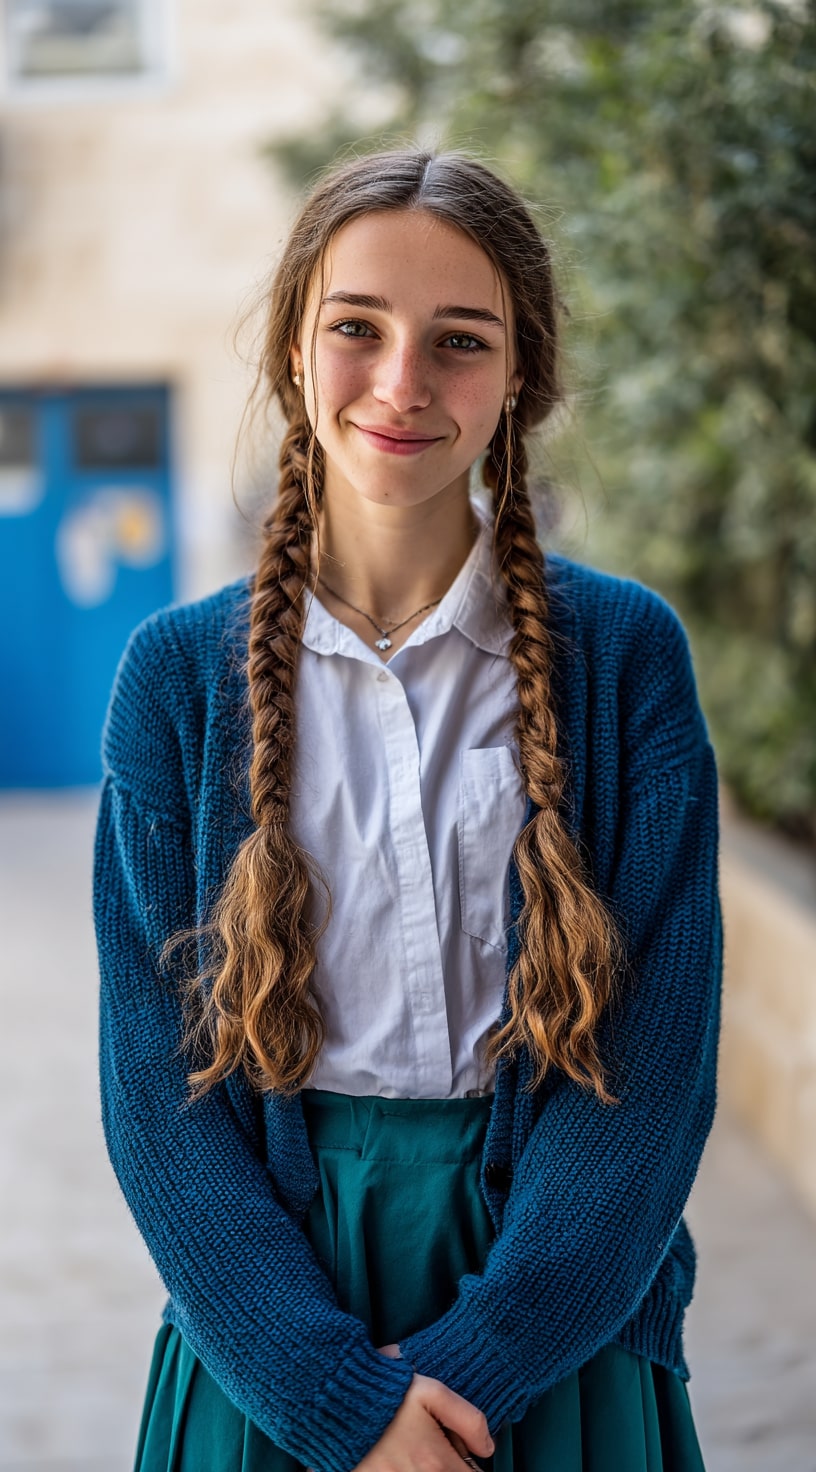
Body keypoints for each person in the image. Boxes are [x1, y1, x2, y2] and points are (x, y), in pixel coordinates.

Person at [94, 148, 722, 1472]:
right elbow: (160, 1092)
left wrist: (481, 1367)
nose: (401, 384)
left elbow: (655, 1066)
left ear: (522, 380)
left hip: (557, 1309)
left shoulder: (623, 658)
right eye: (357, 330)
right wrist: (336, 1397)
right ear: (289, 351)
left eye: (460, 342)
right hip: (267, 1326)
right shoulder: (175, 681)